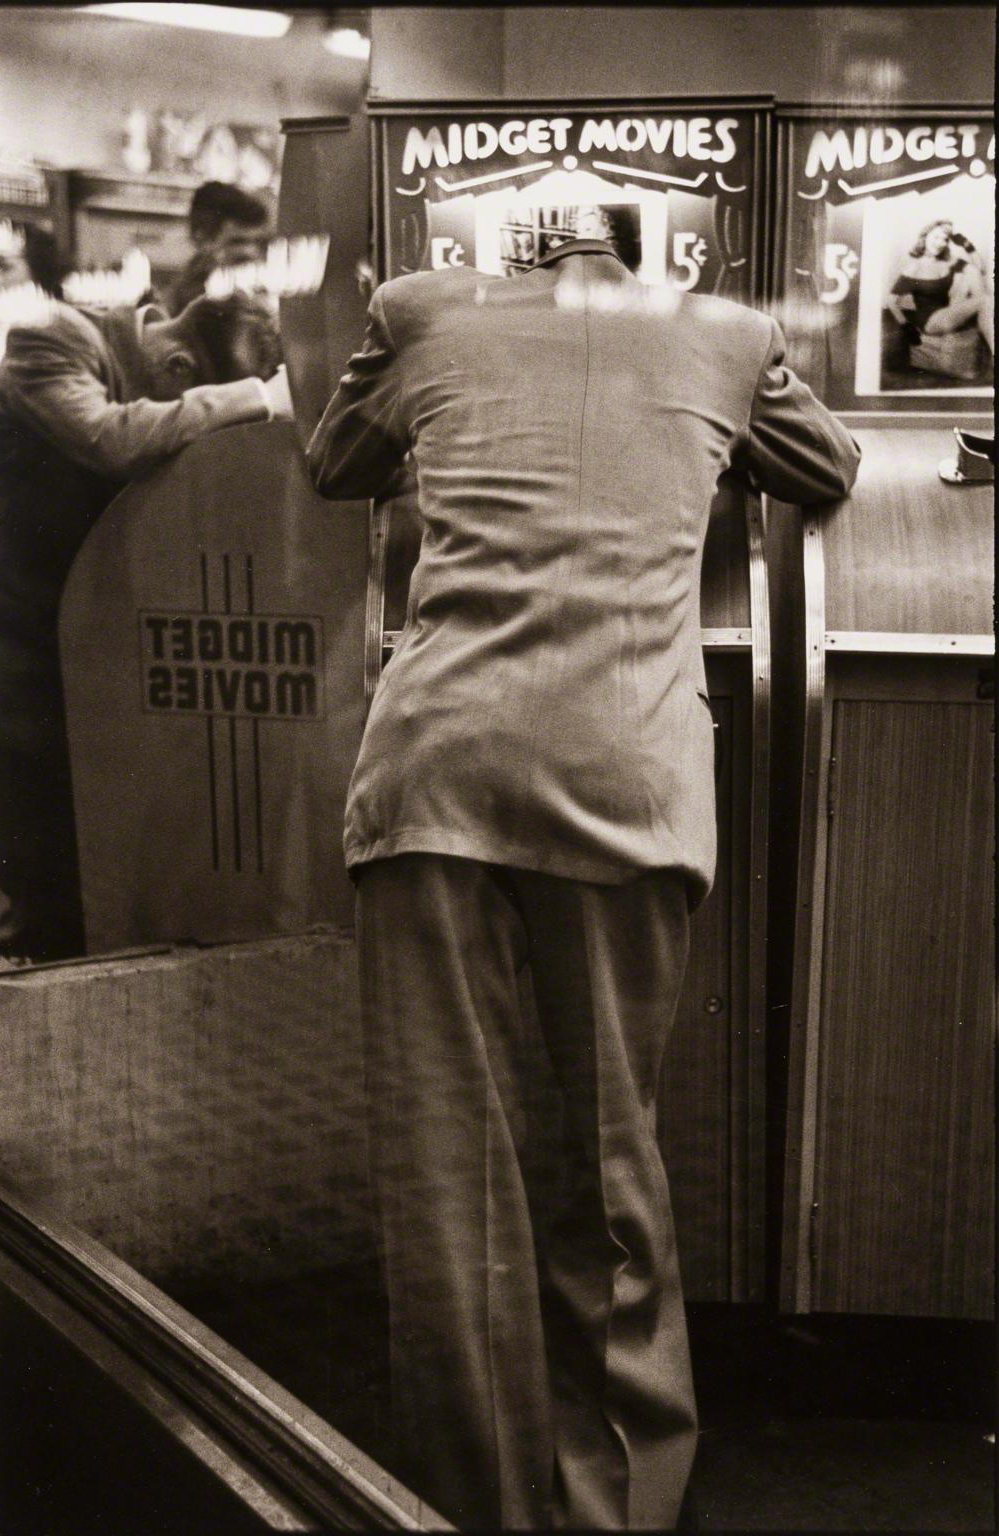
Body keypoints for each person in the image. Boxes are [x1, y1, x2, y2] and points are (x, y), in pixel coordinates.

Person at [307, 228, 860, 1529]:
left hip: (435, 779)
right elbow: (826, 466)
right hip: (621, 782)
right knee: (607, 1162)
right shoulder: (728, 333)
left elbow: (337, 461)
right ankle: (610, 1507)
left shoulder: (420, 305)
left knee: (451, 1186)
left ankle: (470, 1503)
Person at [0, 291, 293, 962]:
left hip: (95, 642)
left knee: (107, 862)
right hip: (19, 649)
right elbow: (114, 438)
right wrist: (260, 397)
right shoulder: (52, 336)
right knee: (44, 868)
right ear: (180, 367)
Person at [885, 218, 986, 372]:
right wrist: (906, 327)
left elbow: (980, 269)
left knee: (970, 274)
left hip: (950, 312)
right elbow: (891, 300)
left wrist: (967, 245)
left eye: (945, 239)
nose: (940, 242)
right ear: (925, 237)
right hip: (931, 321)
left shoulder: (948, 262)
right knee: (985, 300)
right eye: (936, 237)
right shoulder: (914, 268)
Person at [165, 180, 272, 316]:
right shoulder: (189, 305)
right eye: (237, 242)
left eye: (260, 242)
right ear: (202, 239)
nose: (251, 252)